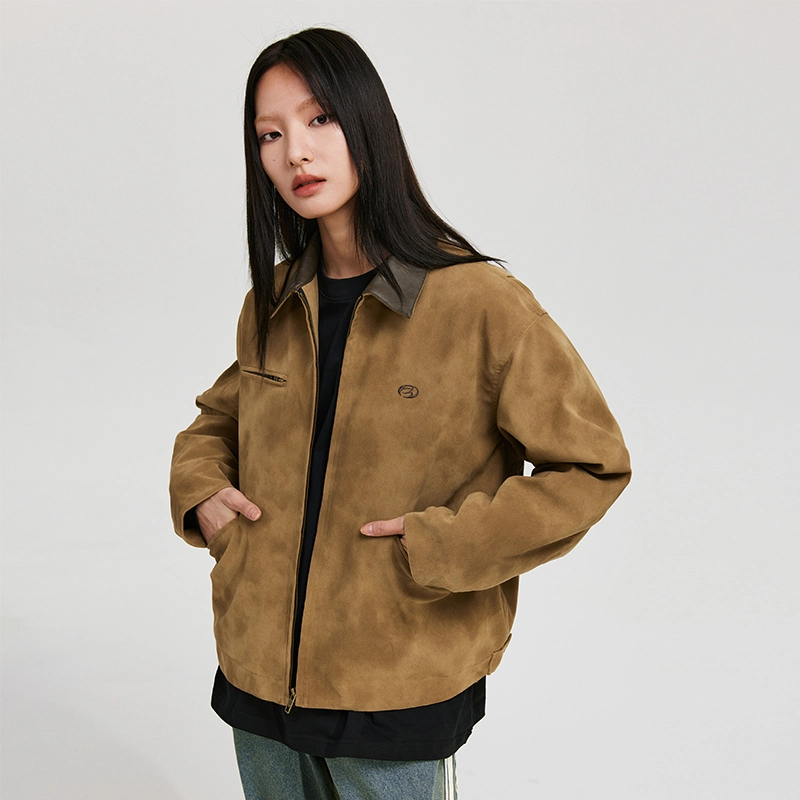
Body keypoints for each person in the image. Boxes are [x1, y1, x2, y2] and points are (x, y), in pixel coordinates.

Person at [169, 27, 631, 800]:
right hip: (257, 684)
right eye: (270, 135)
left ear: (366, 122)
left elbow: (592, 465)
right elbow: (219, 419)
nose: (295, 153)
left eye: (319, 119)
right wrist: (202, 492)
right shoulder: (275, 300)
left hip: (399, 692)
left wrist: (437, 547)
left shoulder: (479, 303)